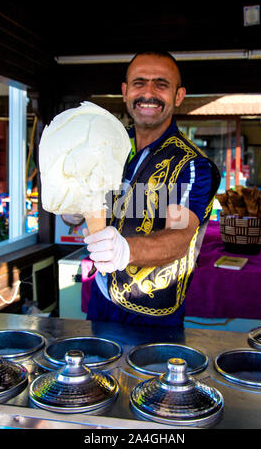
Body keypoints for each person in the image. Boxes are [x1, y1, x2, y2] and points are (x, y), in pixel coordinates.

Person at [64, 51, 221, 327]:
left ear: (178, 96)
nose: (148, 93)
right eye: (139, 83)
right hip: (101, 298)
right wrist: (71, 209)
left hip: (154, 313)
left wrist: (125, 250)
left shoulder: (191, 165)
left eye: (161, 84)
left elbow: (180, 236)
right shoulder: (104, 150)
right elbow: (80, 207)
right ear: (125, 92)